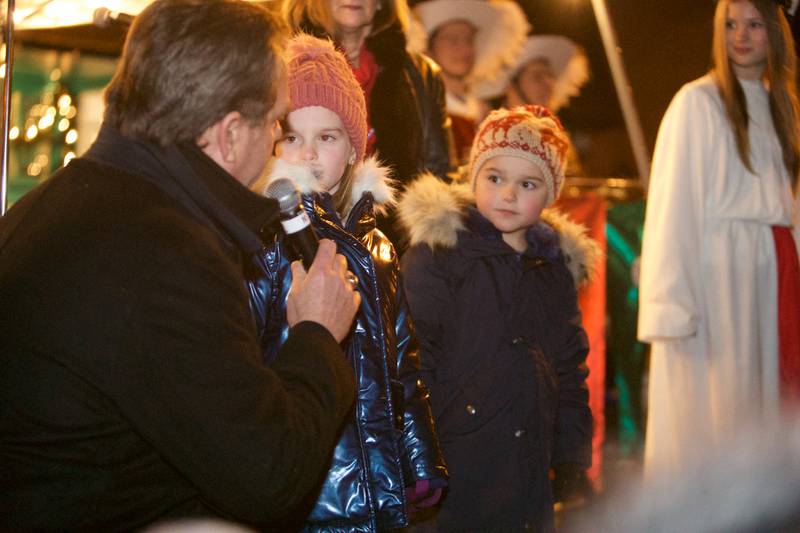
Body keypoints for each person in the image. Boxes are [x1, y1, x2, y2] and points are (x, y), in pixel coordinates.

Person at [0, 1, 362, 530]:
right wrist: (316, 334)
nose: (274, 141)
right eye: (274, 121)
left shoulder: (62, 203)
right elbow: (270, 477)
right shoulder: (162, 253)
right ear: (230, 132)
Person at [248, 33, 447, 532]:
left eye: (328, 137)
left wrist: (420, 460)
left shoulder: (377, 244)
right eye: (292, 137)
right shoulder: (266, 242)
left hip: (376, 487)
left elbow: (404, 361)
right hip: (309, 487)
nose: (309, 154)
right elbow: (247, 358)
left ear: (355, 147)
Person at [398, 105, 596, 532]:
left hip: (528, 466)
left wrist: (570, 455)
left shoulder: (554, 270)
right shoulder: (440, 255)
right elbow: (412, 357)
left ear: (551, 193)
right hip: (455, 464)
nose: (508, 194)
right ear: (474, 178)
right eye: (495, 178)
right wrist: (418, 455)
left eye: (527, 183)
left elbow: (568, 367)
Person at [637, 0, 800, 481]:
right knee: (721, 408)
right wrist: (671, 303)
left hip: (776, 267)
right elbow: (674, 204)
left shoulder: (785, 106)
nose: (741, 36)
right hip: (720, 274)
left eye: (753, 24)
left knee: (769, 406)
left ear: (775, 31)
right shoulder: (698, 102)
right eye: (730, 24)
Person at [282, 0, 453, 251]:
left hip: (399, 243)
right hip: (299, 234)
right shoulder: (279, 63)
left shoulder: (421, 74)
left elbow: (437, 173)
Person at [412, 0, 529, 164]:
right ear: (428, 49)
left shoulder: (488, 113)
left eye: (469, 39)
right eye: (451, 39)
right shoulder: (420, 110)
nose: (463, 48)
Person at [478, 34, 590, 176]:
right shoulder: (490, 133)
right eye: (537, 76)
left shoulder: (555, 134)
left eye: (551, 76)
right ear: (511, 85)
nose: (548, 84)